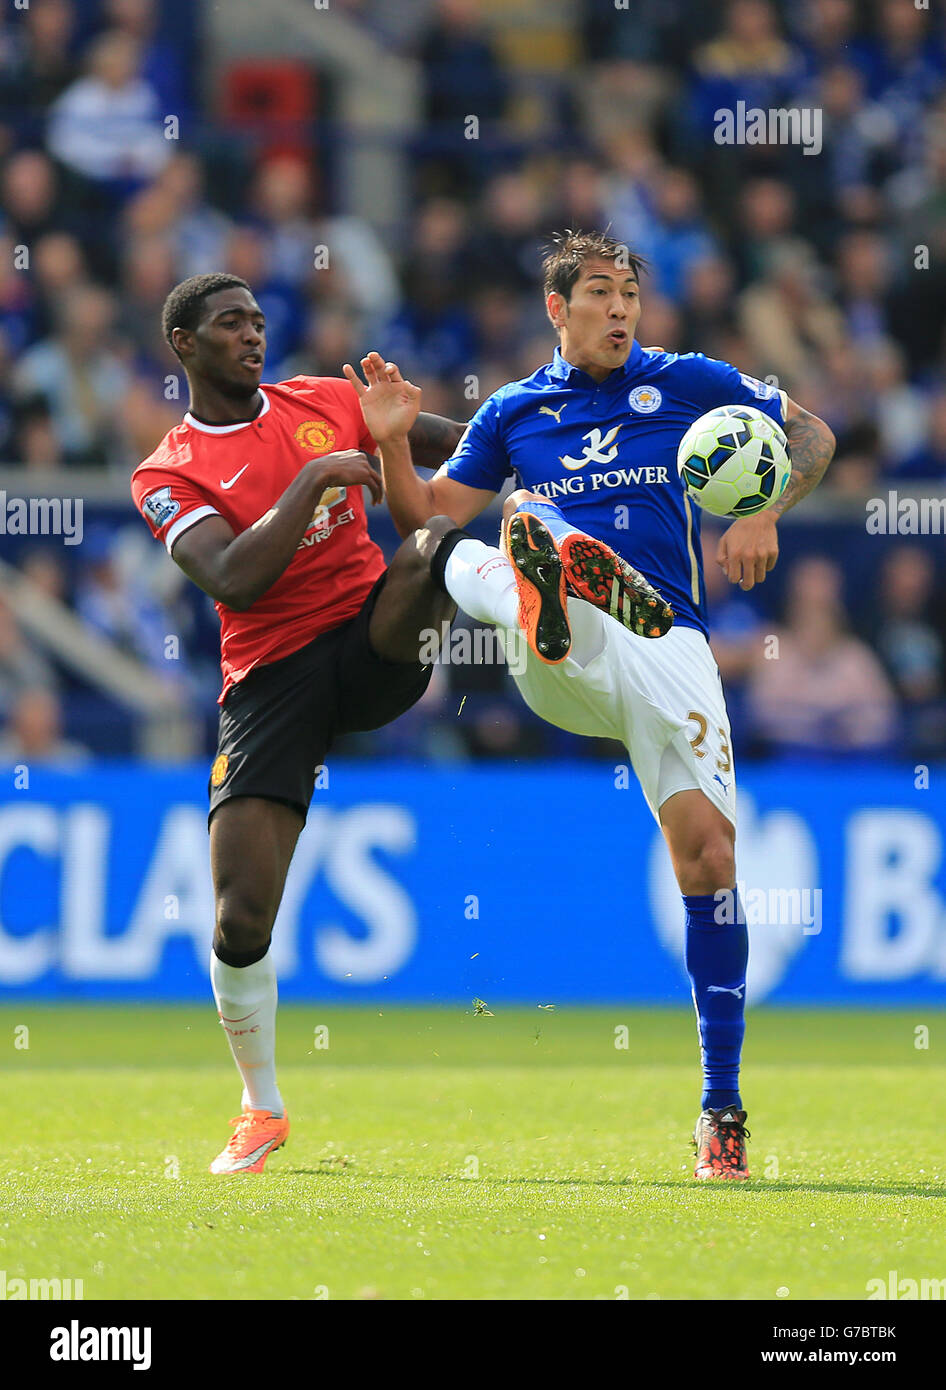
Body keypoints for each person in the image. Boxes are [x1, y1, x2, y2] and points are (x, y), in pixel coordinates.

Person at [346, 230, 837, 1180]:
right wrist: (394, 442)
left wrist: (761, 509)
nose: (620, 310)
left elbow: (812, 434)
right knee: (475, 544)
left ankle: (721, 1111)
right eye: (601, 293)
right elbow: (421, 522)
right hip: (562, 650)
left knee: (711, 857)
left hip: (668, 646)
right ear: (557, 307)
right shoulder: (513, 410)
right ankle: (548, 574)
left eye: (630, 295)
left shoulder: (688, 380)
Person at [131, 272, 465, 1174]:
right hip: (269, 678)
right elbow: (235, 578)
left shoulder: (324, 397)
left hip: (368, 643)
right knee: (241, 919)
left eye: (258, 321)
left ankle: (533, 611)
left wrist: (549, 453)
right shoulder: (167, 471)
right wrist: (316, 478)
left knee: (433, 544)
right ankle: (262, 1106)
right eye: (230, 323)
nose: (252, 335)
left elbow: (466, 451)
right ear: (185, 346)